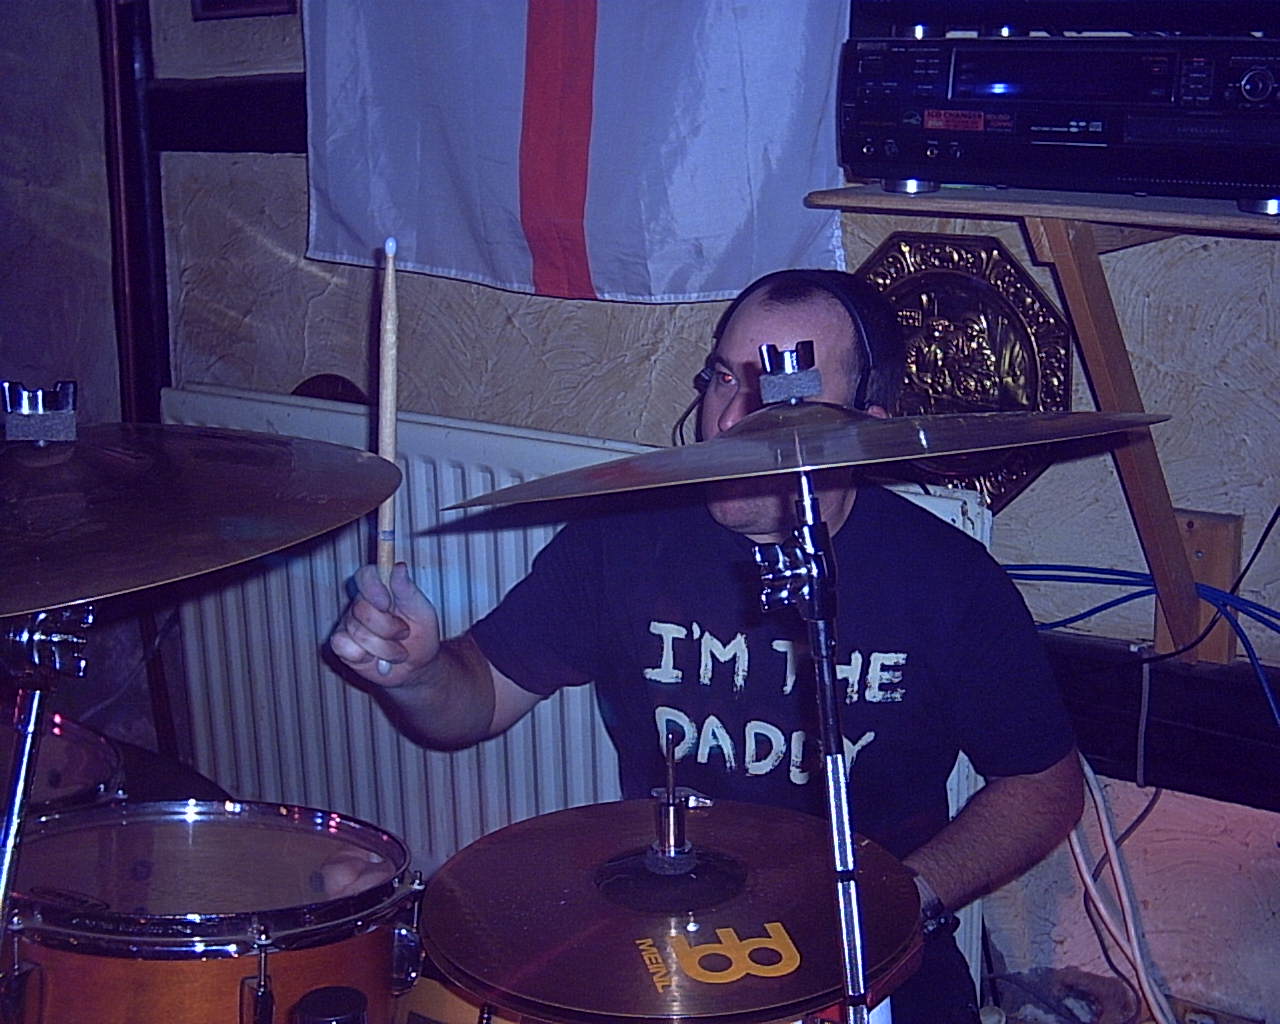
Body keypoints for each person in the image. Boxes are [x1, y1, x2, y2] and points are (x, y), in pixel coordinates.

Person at [330, 269, 1084, 1024]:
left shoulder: (946, 579)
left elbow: (1042, 788)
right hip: (665, 944)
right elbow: (479, 697)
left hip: (873, 954)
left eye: (779, 396)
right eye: (725, 378)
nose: (728, 423)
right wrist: (417, 672)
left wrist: (902, 898)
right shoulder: (624, 539)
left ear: (866, 428)